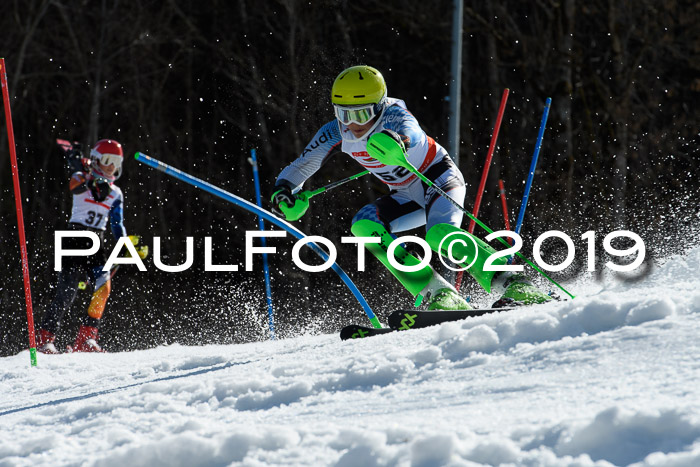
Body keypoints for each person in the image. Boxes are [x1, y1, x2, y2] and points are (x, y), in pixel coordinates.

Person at [271, 65, 551, 310]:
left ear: (380, 106)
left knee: (441, 235)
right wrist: (285, 189)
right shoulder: (335, 131)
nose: (353, 125)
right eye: (344, 114)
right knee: (364, 227)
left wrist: (396, 142)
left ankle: (516, 282)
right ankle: (437, 292)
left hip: (439, 181)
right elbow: (304, 163)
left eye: (362, 114)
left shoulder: (394, 115)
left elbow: (412, 134)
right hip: (406, 195)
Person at [36, 139, 146, 353]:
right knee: (67, 292)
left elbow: (117, 223)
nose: (111, 166)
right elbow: (76, 189)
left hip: (97, 241)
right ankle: (46, 338)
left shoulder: (116, 193)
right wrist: (86, 175)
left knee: (103, 287)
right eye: (107, 160)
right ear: (96, 160)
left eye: (116, 161)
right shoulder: (80, 177)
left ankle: (86, 339)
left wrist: (123, 244)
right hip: (74, 237)